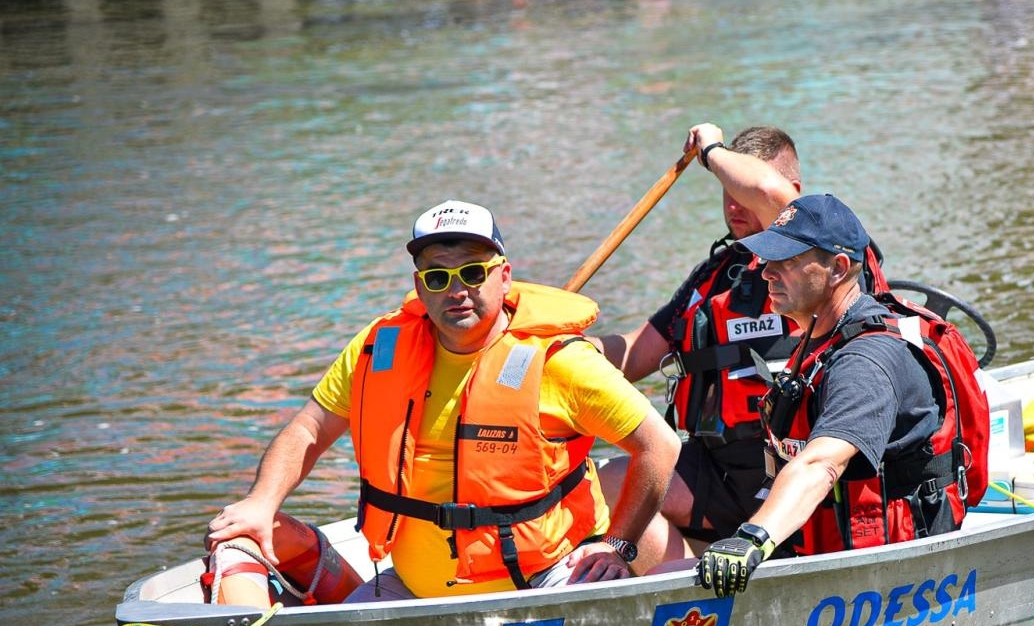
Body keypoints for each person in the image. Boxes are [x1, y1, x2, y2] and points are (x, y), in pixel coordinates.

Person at [205, 199, 679, 604]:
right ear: (419, 286)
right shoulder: (378, 350)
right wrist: (262, 502)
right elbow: (309, 429)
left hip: (541, 581)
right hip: (413, 588)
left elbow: (658, 445)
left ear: (504, 276)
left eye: (473, 272)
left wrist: (618, 544)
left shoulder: (559, 362)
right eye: (437, 277)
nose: (456, 290)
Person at [693, 195, 983, 597]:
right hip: (822, 554)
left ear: (838, 269)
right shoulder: (820, 337)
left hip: (885, 582)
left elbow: (820, 463)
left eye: (787, 262)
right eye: (768, 260)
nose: (767, 274)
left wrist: (753, 539)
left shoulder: (864, 362)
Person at [591, 124, 807, 569]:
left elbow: (769, 191)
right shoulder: (714, 275)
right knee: (604, 482)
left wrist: (710, 149)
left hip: (799, 471)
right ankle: (687, 588)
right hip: (722, 471)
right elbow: (634, 356)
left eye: (739, 187)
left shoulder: (814, 253)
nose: (733, 203)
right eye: (724, 191)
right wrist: (558, 347)